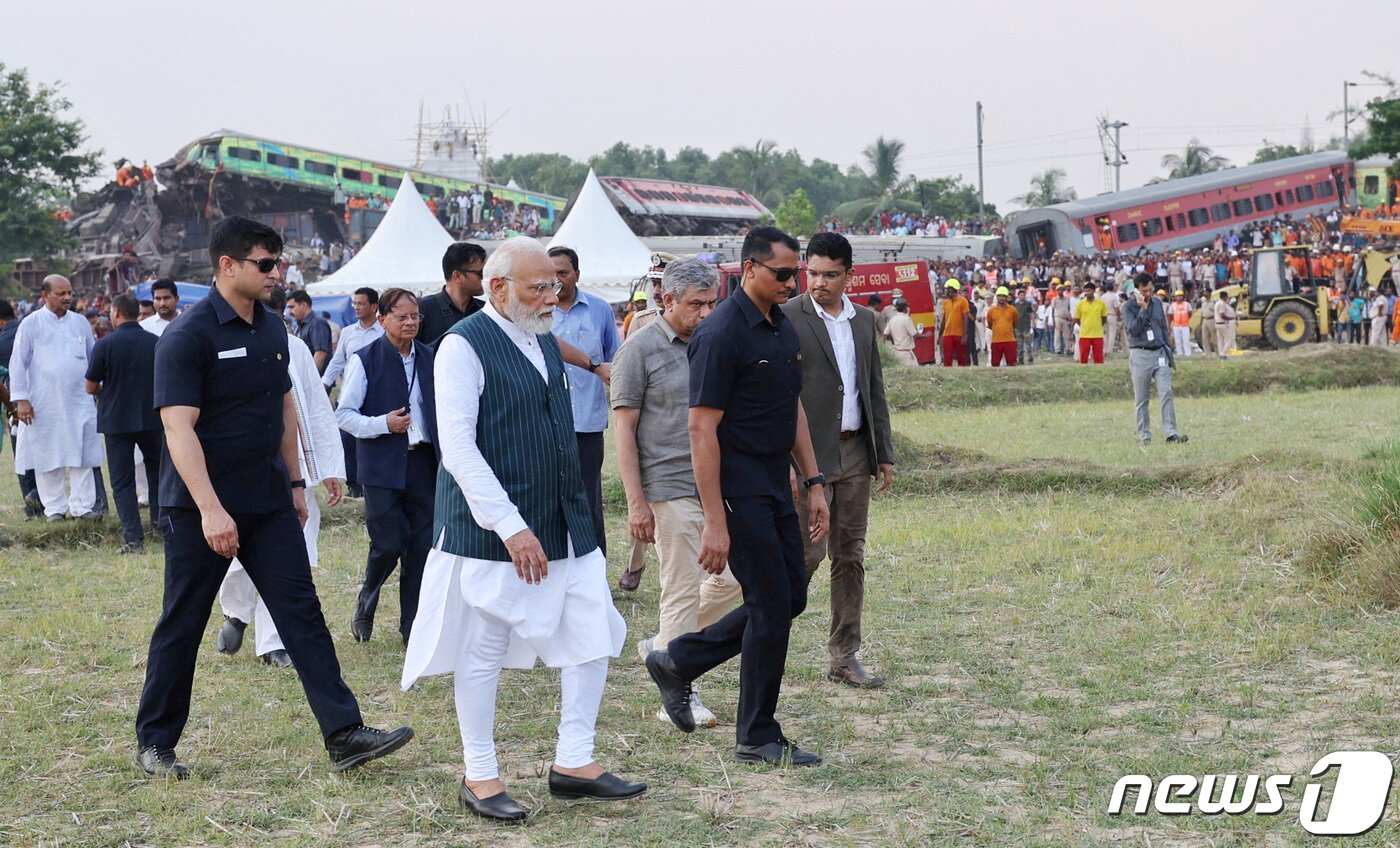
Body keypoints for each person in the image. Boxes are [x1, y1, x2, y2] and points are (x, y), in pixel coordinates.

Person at [133, 216, 413, 780]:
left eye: (277, 262)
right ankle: (156, 742)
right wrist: (211, 509)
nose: (275, 272)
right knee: (183, 622)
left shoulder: (270, 329)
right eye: (265, 263)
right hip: (200, 507)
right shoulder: (188, 337)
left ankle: (344, 733)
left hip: (268, 502)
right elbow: (178, 431)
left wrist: (293, 484)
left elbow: (284, 408)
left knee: (301, 613)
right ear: (227, 265)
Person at [402, 237, 642, 821]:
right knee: (482, 648)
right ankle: (480, 774)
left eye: (555, 286)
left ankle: (574, 760)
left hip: (566, 521)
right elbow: (456, 446)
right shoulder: (464, 345)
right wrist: (510, 525)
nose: (552, 296)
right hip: (493, 531)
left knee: (595, 633)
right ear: (499, 288)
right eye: (539, 287)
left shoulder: (541, 339)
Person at [644, 226, 830, 768]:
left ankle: (678, 660)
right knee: (772, 605)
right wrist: (715, 520)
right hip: (735, 484)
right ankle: (756, 734)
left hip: (776, 480)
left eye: (794, 273)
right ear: (749, 269)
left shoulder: (781, 327)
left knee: (789, 597)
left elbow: (791, 407)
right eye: (782, 274)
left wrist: (813, 480)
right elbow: (700, 430)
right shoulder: (721, 333)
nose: (791, 283)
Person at [612, 258, 740, 725]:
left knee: (734, 578)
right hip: (666, 486)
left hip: (718, 486)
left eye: (712, 303)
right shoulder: (639, 350)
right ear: (668, 301)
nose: (706, 313)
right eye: (695, 304)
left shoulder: (716, 344)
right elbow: (623, 430)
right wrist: (636, 502)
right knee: (682, 589)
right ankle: (681, 693)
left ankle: (665, 647)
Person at [781, 231, 894, 688]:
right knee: (804, 556)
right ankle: (767, 638)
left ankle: (844, 655)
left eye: (830, 275)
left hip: (854, 451)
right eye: (812, 273)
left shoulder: (864, 320)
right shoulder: (788, 316)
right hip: (806, 456)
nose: (819, 283)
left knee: (849, 556)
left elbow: (874, 387)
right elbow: (780, 396)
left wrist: (882, 452)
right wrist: (789, 464)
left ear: (850, 275)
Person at [214, 287, 346, 668]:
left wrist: (328, 469)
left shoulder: (295, 349)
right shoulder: (224, 346)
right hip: (242, 471)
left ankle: (274, 642)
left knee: (290, 561)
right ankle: (238, 611)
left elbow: (316, 410)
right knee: (239, 555)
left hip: (294, 476)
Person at [337, 288, 439, 645]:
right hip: (381, 465)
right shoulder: (365, 358)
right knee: (388, 543)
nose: (410, 322)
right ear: (382, 320)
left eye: (415, 317)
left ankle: (412, 625)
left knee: (422, 547)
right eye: (402, 317)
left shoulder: (429, 356)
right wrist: (383, 424)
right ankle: (367, 597)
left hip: (424, 462)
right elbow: (344, 415)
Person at [10, 275, 104, 521]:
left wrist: (98, 389)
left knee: (83, 453)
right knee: (48, 454)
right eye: (61, 293)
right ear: (45, 295)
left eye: (69, 293)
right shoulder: (30, 324)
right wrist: (21, 399)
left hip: (79, 399)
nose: (67, 298)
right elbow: (17, 364)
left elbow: (93, 357)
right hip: (44, 401)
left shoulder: (81, 322)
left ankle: (82, 508)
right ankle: (54, 509)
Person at [548, 245, 621, 556]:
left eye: (563, 273)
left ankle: (593, 570)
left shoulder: (600, 310)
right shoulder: (538, 311)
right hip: (548, 422)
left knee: (589, 500)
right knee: (550, 499)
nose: (557, 281)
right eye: (551, 275)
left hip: (588, 423)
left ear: (577, 273)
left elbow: (612, 361)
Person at [84, 294, 161, 553]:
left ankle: (133, 538)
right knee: (158, 473)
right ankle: (161, 527)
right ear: (137, 313)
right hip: (152, 417)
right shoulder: (155, 342)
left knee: (122, 481)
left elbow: (90, 386)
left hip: (116, 420)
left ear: (116, 312)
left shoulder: (104, 346)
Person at [321, 287, 385, 500]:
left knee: (374, 440)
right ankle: (354, 485)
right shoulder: (348, 333)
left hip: (376, 397)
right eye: (354, 304)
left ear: (374, 307)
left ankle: (375, 483)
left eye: (361, 304)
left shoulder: (385, 332)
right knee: (347, 440)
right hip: (350, 396)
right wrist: (324, 384)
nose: (356, 308)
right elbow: (337, 362)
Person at [1124, 273, 1188, 445]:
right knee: (1142, 398)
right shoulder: (1129, 306)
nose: (1149, 294)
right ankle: (1145, 436)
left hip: (1159, 352)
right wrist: (1143, 308)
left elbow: (1162, 326)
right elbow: (1133, 330)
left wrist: (1168, 349)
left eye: (1150, 290)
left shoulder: (1158, 303)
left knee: (1166, 392)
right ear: (1137, 290)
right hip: (1140, 353)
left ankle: (1171, 433)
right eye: (1144, 291)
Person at [419, 242, 486, 348]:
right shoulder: (422, 309)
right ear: (457, 276)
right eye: (481, 273)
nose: (486, 278)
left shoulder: (485, 310)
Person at [288, 291, 333, 373]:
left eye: (292, 307)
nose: (289, 312)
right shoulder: (300, 325)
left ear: (303, 305)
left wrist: (311, 378)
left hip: (316, 380)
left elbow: (320, 354)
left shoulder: (317, 323)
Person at [1073, 283, 1108, 365]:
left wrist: (1098, 325)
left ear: (1094, 291)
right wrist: (1084, 326)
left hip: (1097, 334)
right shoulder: (1081, 303)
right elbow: (1076, 318)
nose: (1087, 293)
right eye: (1085, 291)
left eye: (1089, 291)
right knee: (1083, 357)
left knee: (1098, 358)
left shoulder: (1100, 303)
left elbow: (1104, 318)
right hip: (1085, 334)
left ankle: (1099, 373)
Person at [985, 286, 1019, 367]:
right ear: (997, 297)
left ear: (1007, 297)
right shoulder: (991, 311)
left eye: (1003, 296)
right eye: (1000, 296)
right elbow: (990, 325)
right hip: (996, 341)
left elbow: (1015, 324)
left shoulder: (1013, 310)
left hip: (1009, 340)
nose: (1001, 298)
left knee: (1012, 364)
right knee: (995, 365)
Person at [938, 279, 969, 367]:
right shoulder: (946, 302)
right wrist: (940, 335)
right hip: (947, 334)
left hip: (959, 334)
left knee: (961, 358)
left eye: (947, 289)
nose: (946, 291)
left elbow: (965, 319)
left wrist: (964, 335)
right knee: (947, 358)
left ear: (952, 289)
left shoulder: (963, 301)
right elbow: (944, 319)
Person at [886, 299, 918, 365]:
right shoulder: (906, 319)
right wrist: (926, 335)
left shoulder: (892, 319)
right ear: (905, 308)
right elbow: (915, 335)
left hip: (896, 352)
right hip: (906, 353)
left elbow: (885, 334)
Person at [1168, 290, 1193, 357]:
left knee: (1186, 340)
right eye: (1177, 296)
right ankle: (1180, 353)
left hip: (1185, 325)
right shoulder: (1172, 305)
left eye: (1180, 296)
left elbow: (1190, 313)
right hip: (1176, 325)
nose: (1179, 298)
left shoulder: (1187, 304)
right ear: (1175, 297)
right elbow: (1170, 315)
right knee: (1177, 340)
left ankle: (1188, 354)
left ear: (1183, 296)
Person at [1214, 290, 1238, 359]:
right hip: (1222, 323)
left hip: (1217, 323)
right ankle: (1223, 354)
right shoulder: (1222, 304)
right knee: (1229, 339)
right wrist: (1230, 318)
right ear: (1225, 297)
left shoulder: (1217, 303)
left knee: (1220, 340)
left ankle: (1220, 353)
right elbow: (1222, 314)